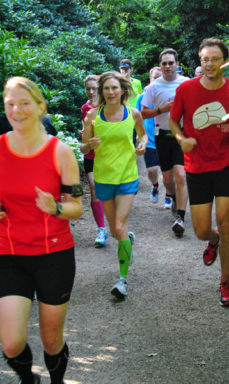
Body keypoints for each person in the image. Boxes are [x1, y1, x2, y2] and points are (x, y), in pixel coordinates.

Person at [0, 77, 83, 384]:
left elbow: (76, 207)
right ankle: (28, 379)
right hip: (7, 251)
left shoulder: (59, 152)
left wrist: (56, 208)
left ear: (39, 107)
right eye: (10, 104)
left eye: (24, 103)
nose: (16, 111)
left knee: (51, 339)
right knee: (10, 342)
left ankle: (57, 381)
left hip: (53, 254)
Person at [169, 38, 229, 306]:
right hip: (197, 164)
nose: (210, 64)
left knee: (226, 222)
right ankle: (213, 240)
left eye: (215, 59)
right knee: (200, 230)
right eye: (205, 59)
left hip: (227, 162)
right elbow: (174, 120)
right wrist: (180, 138)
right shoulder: (186, 89)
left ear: (225, 61)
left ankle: (225, 283)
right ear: (200, 60)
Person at [82, 71, 147, 299]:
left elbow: (143, 135)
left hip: (127, 177)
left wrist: (141, 144)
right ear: (102, 91)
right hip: (103, 178)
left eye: (114, 88)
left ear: (122, 90)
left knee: (118, 226)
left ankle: (122, 280)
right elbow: (84, 149)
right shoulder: (92, 116)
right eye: (106, 89)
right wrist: (89, 143)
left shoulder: (133, 113)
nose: (111, 92)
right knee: (115, 229)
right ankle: (126, 241)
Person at [141, 48, 189, 238]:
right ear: (160, 66)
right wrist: (162, 108)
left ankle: (181, 218)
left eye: (171, 63)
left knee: (180, 175)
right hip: (162, 135)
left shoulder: (187, 84)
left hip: (182, 135)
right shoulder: (154, 87)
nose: (168, 66)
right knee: (168, 179)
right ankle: (175, 198)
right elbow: (143, 112)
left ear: (177, 64)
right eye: (164, 63)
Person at [80, 74, 108, 247]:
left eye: (94, 88)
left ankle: (118, 226)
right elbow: (85, 130)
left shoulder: (109, 106)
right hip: (91, 154)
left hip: (108, 155)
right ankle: (101, 229)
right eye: (88, 89)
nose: (91, 92)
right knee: (94, 187)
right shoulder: (85, 108)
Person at [136, 66, 162, 203]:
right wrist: (138, 134)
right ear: (150, 79)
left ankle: (171, 196)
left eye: (159, 77)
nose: (157, 80)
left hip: (166, 138)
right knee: (152, 170)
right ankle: (155, 185)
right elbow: (137, 116)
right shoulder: (142, 97)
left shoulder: (168, 96)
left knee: (173, 174)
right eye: (154, 78)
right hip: (149, 139)